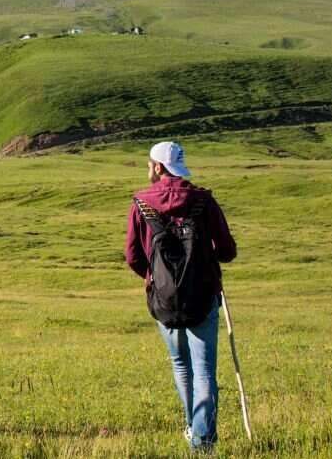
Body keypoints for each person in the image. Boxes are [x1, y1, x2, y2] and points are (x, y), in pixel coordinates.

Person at [125, 142, 237, 451]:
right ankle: (202, 440)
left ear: (159, 167)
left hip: (164, 301)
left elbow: (133, 256)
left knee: (181, 365)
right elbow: (227, 251)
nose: (149, 169)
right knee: (204, 371)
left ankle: (193, 428)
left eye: (150, 164)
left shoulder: (141, 203)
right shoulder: (203, 200)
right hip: (203, 296)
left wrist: (154, 278)